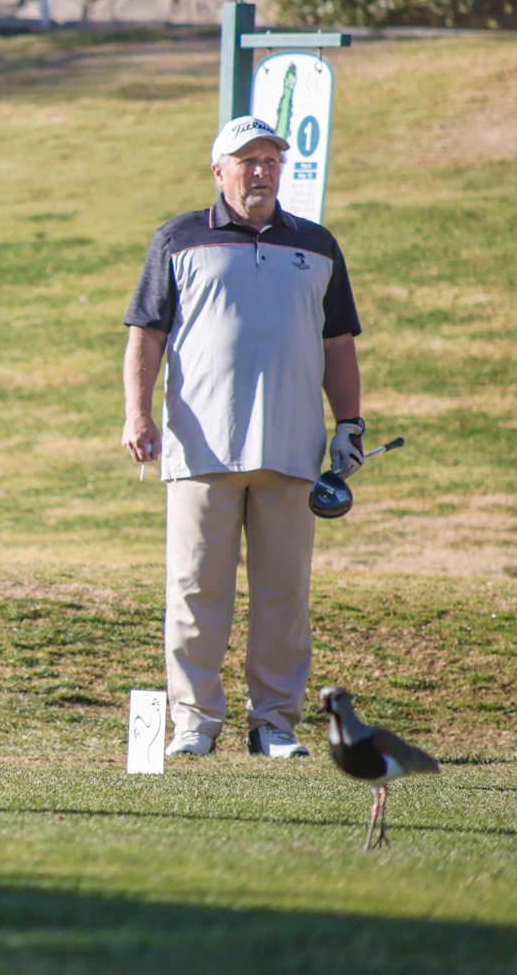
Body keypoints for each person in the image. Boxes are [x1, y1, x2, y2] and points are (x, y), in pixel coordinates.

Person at [121, 115, 363, 759]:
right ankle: (193, 724)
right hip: (200, 447)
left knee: (284, 595)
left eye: (271, 160)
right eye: (247, 160)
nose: (261, 171)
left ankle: (273, 725)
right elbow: (146, 333)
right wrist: (137, 414)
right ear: (219, 171)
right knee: (196, 590)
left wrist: (349, 422)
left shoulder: (317, 244)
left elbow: (338, 342)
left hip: (292, 448)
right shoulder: (178, 238)